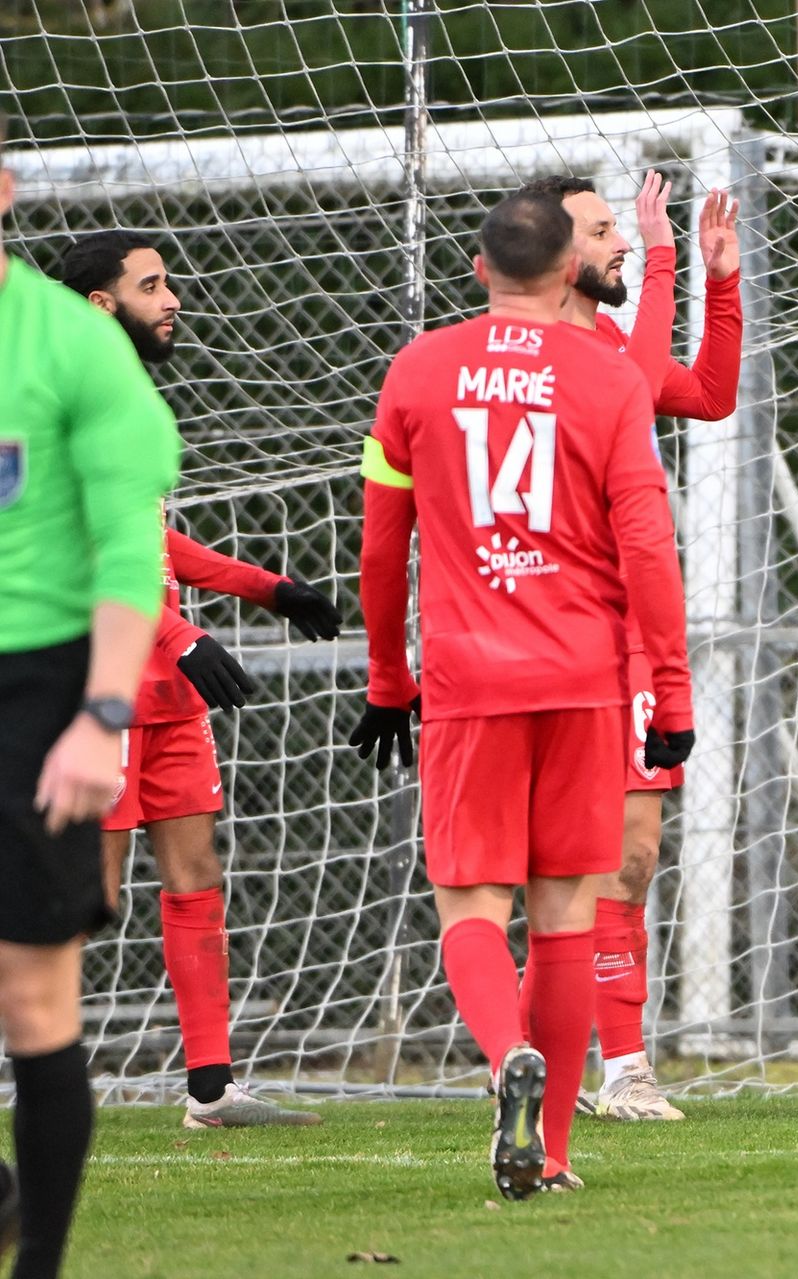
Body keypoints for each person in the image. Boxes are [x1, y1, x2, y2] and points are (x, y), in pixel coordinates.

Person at [351, 190, 690, 1197]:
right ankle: (555, 1149)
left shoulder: (417, 370)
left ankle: (508, 1057)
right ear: (570, 271)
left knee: (470, 903)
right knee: (567, 914)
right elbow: (648, 546)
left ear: (478, 268)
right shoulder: (610, 377)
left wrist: (388, 677)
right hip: (587, 678)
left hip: (469, 678)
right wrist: (671, 691)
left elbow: (382, 547)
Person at [58, 230, 341, 1130]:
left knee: (196, 876)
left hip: (169, 699)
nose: (172, 298)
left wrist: (269, 588)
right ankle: (43, 1070)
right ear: (102, 304)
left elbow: (151, 540)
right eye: (151, 285)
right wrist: (181, 636)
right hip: (98, 689)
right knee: (86, 898)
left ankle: (211, 1087)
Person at [0, 108, 183, 1278]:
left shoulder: (71, 345)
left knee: (31, 996)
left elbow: (130, 547)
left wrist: (103, 713)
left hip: (41, 685)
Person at [516, 171, 741, 1121]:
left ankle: (609, 1064)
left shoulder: (608, 337)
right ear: (554, 251)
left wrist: (720, 283)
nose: (619, 240)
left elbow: (711, 394)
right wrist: (664, 258)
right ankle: (562, 1055)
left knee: (632, 855)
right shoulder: (539, 345)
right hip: (550, 628)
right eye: (603, 228)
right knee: (571, 866)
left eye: (622, 226)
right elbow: (639, 385)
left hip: (631, 632)